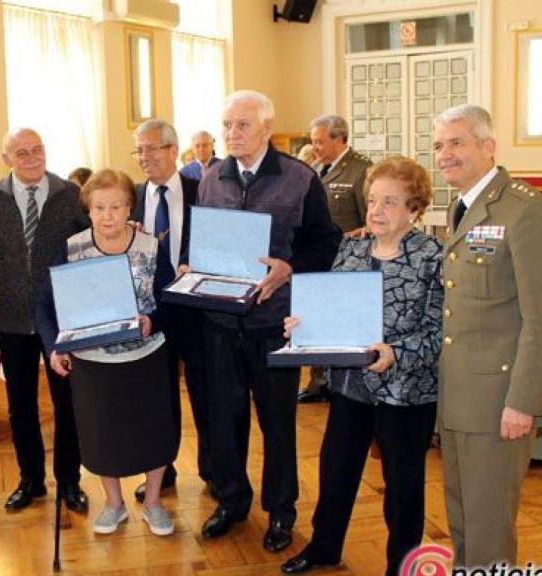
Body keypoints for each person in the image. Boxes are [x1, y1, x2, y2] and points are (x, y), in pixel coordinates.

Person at [280, 157, 444, 575]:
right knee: (336, 471)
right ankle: (324, 548)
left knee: (403, 488)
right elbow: (333, 308)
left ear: (414, 208)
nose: (376, 210)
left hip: (406, 390)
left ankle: (401, 565)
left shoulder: (432, 257)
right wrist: (304, 325)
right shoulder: (350, 247)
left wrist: (397, 353)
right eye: (372, 200)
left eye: (390, 202)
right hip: (351, 383)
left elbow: (438, 332)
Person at [196, 90, 342, 552]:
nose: (232, 134)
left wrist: (289, 268)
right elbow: (204, 242)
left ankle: (281, 511)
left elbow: (327, 243)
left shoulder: (300, 179)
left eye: (242, 125)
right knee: (225, 420)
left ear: (265, 128)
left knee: (277, 425)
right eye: (226, 125)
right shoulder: (211, 177)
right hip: (221, 322)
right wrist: (191, 266)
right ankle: (233, 501)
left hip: (273, 326)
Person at [436, 104, 542, 567]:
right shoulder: (462, 205)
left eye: (456, 142)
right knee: (464, 516)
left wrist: (523, 401)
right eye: (438, 145)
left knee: (489, 524)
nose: (444, 154)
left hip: (498, 399)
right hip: (459, 394)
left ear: (488, 147)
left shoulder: (526, 211)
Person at [36, 169, 179, 536]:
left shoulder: (150, 246)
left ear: (130, 206)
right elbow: (46, 304)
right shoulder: (71, 248)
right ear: (88, 209)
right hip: (93, 362)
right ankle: (113, 504)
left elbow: (168, 300)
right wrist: (54, 347)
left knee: (154, 431)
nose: (108, 215)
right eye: (100, 208)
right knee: (100, 435)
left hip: (145, 357)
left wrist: (152, 320)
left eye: (116, 206)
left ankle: (152, 503)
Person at [0, 128, 90, 513]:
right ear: (6, 159)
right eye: (22, 153)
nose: (32, 158)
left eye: (38, 150)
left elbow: (88, 254)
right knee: (20, 407)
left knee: (68, 403)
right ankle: (31, 480)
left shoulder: (69, 196)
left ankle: (70, 482)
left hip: (60, 319)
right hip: (12, 321)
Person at [129, 119, 212, 502]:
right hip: (152, 314)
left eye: (151, 148)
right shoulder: (130, 197)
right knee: (157, 400)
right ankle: (162, 472)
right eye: (139, 150)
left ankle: (214, 470)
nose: (144, 157)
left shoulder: (204, 190)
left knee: (206, 395)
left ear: (173, 149)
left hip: (198, 313)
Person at [299, 115, 374, 405]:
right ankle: (319, 382)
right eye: (313, 141)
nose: (314, 147)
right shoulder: (316, 169)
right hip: (320, 262)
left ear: (339, 139)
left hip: (349, 266)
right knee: (320, 324)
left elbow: (372, 220)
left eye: (319, 141)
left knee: (344, 329)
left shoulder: (361, 170)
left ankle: (341, 384)